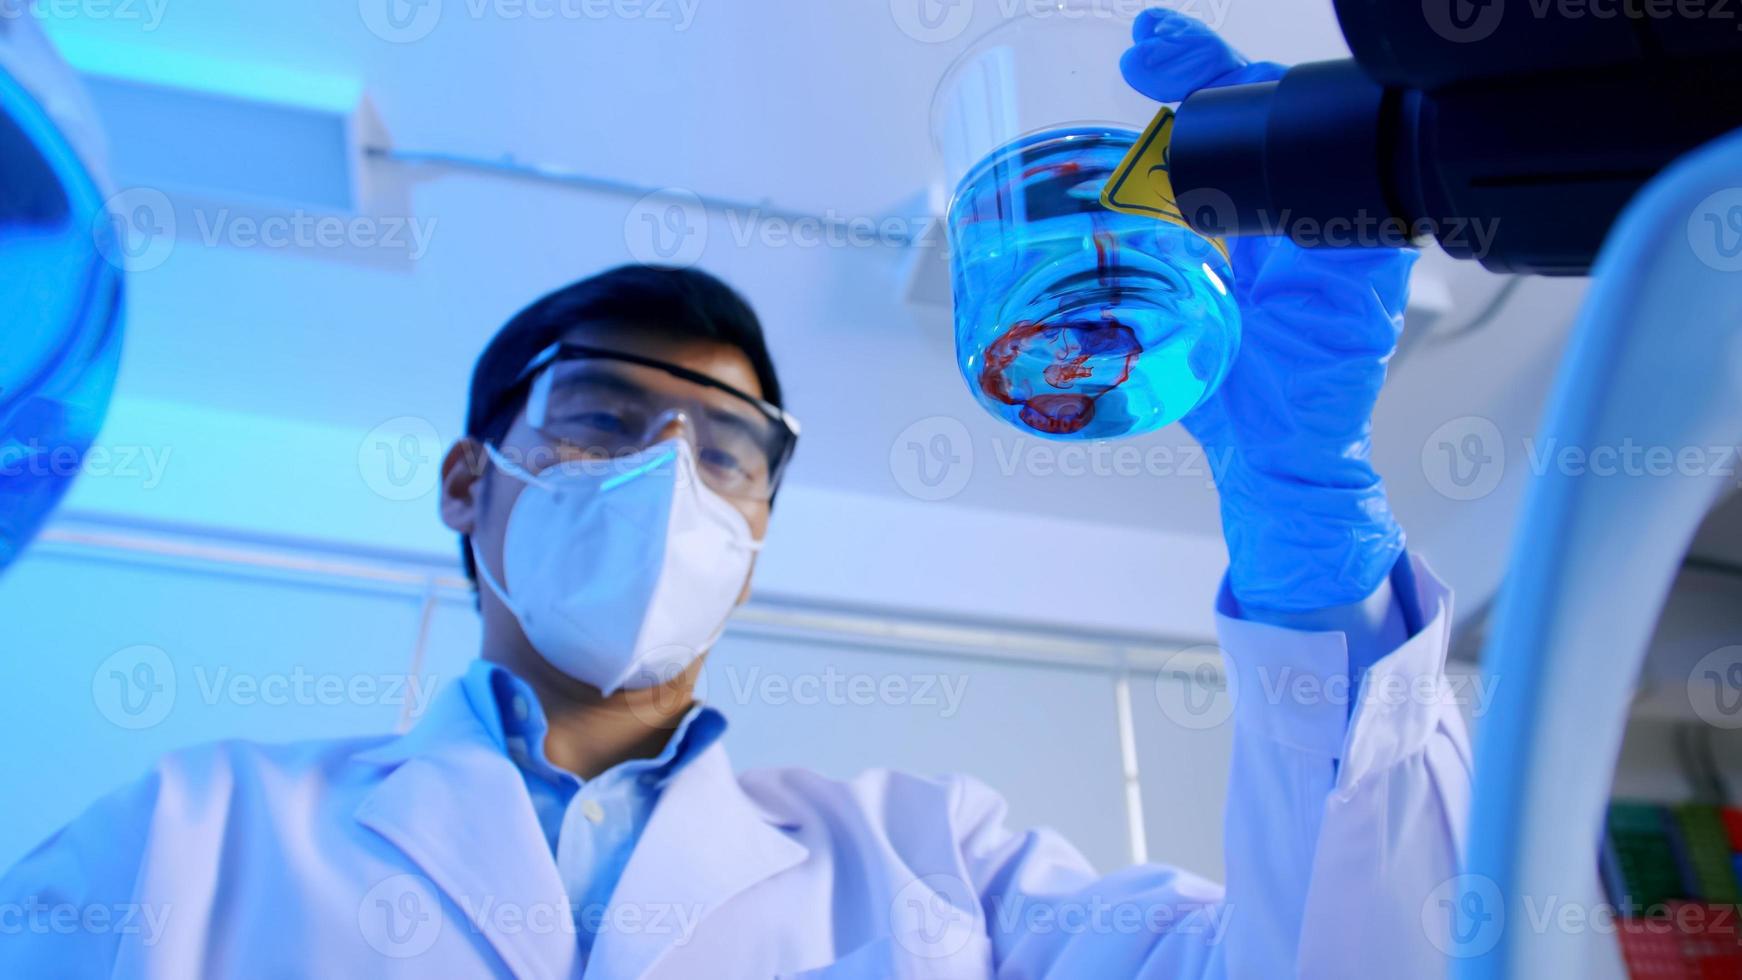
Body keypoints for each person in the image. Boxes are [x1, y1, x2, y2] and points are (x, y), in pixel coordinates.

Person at [0, 12, 1470, 978]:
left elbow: (1352, 961)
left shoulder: (944, 868)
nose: (669, 477)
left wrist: (1300, 530)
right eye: (601, 415)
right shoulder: (191, 834)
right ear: (470, 479)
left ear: (755, 534)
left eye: (727, 451)